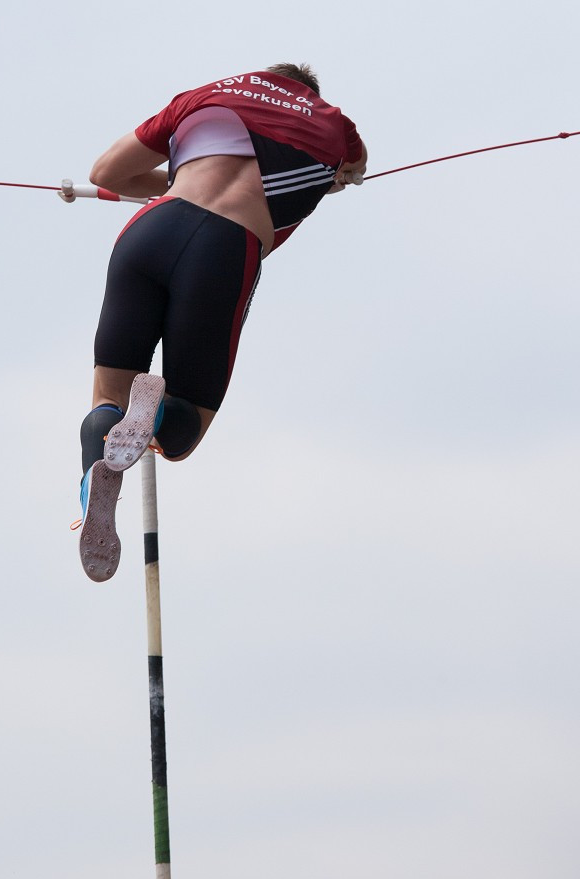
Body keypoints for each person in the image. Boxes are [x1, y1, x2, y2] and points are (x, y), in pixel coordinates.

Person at [75, 63, 367, 581]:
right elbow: (355, 170)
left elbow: (105, 174)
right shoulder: (335, 125)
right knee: (185, 430)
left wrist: (178, 180)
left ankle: (93, 484)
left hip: (152, 227)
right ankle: (156, 415)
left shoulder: (203, 96)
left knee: (106, 397)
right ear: (308, 92)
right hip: (225, 248)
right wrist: (335, 178)